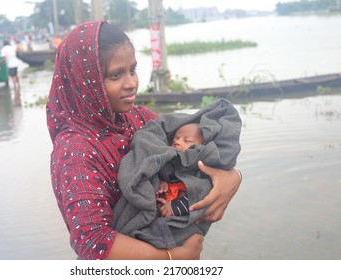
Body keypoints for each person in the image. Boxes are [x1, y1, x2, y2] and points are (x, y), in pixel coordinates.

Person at [46, 20, 242, 260]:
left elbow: (191, 150)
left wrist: (232, 177)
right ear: (85, 82)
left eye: (132, 69)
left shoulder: (138, 118)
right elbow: (92, 241)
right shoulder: (75, 151)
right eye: (116, 75)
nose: (131, 83)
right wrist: (173, 259)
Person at [113, 98, 242, 249]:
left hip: (174, 214)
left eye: (187, 141)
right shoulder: (167, 160)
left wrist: (174, 207)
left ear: (202, 147)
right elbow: (158, 173)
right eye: (176, 139)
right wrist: (159, 184)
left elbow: (196, 197)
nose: (178, 142)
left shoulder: (200, 172)